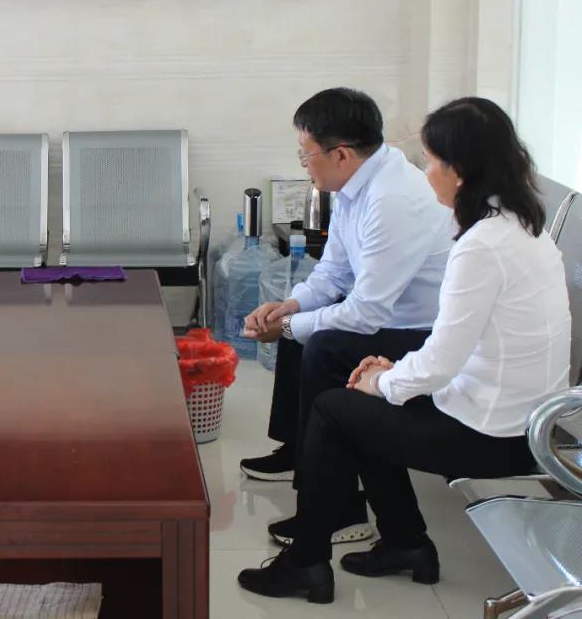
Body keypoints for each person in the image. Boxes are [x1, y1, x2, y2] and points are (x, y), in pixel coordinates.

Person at [236, 97, 572, 604]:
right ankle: (404, 543)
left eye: (432, 161)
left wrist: (383, 380)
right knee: (357, 396)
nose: (425, 171)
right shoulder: (520, 225)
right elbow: (462, 350)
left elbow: (439, 359)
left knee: (336, 408)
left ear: (459, 172)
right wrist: (389, 372)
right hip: (512, 414)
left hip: (494, 434)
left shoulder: (479, 246)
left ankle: (307, 562)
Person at [239, 88, 455, 546]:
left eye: (306, 154)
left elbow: (367, 313)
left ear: (340, 154)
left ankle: (338, 507)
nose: (304, 164)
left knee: (323, 345)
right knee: (306, 325)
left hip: (418, 332)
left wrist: (288, 327)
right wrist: (290, 307)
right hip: (386, 318)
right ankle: (300, 451)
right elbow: (333, 270)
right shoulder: (355, 184)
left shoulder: (392, 199)